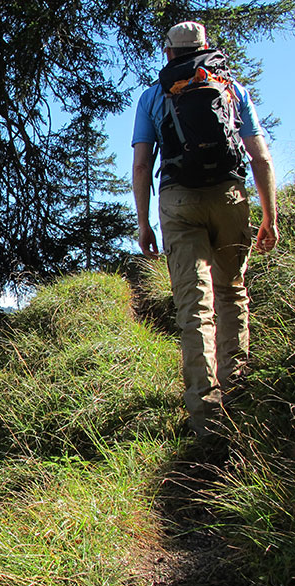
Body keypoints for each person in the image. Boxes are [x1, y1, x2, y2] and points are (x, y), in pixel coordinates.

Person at [132, 20, 280, 439]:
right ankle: (239, 394)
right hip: (230, 196)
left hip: (178, 201)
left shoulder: (154, 95)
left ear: (169, 53)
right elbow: (260, 158)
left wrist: (144, 223)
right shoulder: (231, 88)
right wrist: (268, 215)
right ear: (205, 47)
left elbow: (142, 165)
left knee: (194, 306)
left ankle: (205, 417)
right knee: (231, 291)